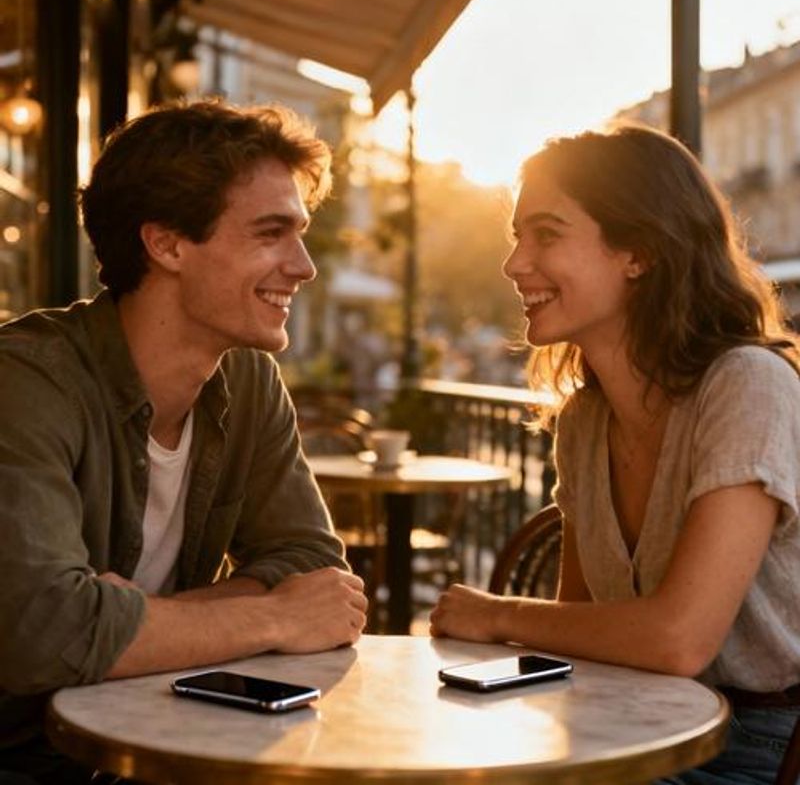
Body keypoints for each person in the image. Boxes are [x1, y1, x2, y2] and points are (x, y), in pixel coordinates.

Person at [0, 100, 368, 784]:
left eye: (301, 233)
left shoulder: (248, 376)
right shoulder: (25, 381)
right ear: (166, 244)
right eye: (271, 233)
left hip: (159, 740)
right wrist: (272, 619)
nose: (304, 266)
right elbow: (43, 634)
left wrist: (130, 621)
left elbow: (316, 570)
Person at [430, 124, 800, 784]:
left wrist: (494, 615)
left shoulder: (748, 384)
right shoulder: (584, 420)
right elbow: (579, 627)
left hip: (754, 749)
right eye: (518, 236)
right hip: (628, 717)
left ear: (639, 251)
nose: (515, 264)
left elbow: (678, 640)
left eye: (546, 234)